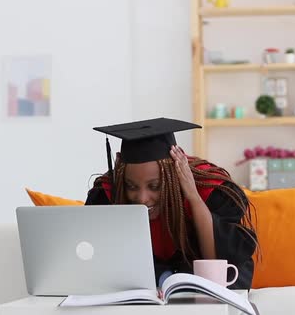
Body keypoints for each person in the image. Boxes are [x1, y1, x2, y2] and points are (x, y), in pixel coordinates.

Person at [85, 117, 257, 289]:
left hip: (199, 283)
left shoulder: (212, 191)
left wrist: (193, 197)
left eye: (154, 186)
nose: (143, 198)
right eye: (131, 186)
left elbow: (216, 269)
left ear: (173, 173)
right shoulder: (108, 193)